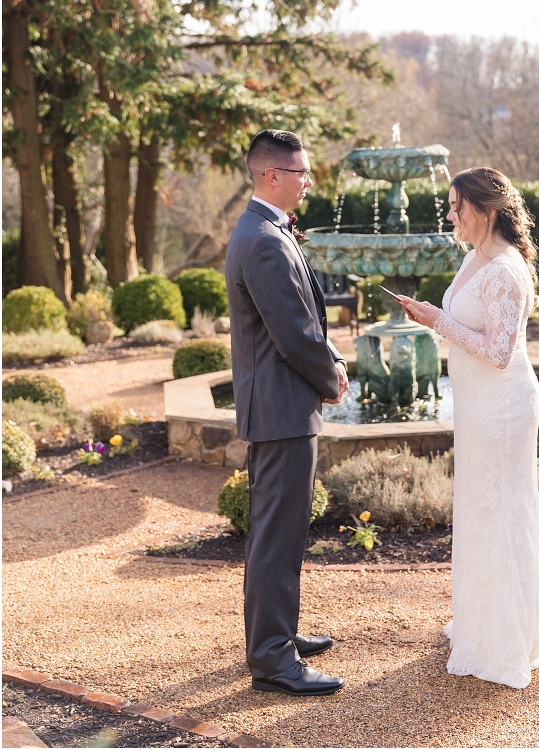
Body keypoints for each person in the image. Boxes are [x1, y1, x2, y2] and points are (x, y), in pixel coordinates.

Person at [397, 167, 539, 689]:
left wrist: (435, 321)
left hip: (504, 405)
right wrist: (436, 317)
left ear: (487, 211)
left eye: (457, 207)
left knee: (502, 507)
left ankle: (506, 638)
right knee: (477, 506)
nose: (451, 216)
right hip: (476, 406)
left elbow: (498, 352)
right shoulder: (474, 258)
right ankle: (479, 621)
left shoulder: (507, 270)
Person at [225, 128, 349, 697]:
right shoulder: (264, 240)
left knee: (281, 530)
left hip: (280, 406)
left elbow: (302, 321)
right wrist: (331, 376)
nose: (308, 182)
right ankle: (273, 660)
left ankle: (279, 636)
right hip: (280, 409)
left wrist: (329, 357)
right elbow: (294, 337)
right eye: (300, 173)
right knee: (277, 535)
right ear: (271, 176)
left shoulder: (265, 231)